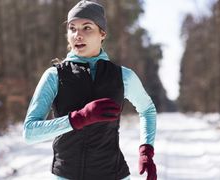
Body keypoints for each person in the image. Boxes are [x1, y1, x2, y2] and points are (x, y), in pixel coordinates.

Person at [23, 0, 157, 179]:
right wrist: (79, 118)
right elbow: (30, 132)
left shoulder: (122, 76)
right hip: (66, 175)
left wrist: (146, 149)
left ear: (102, 33)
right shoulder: (55, 76)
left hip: (113, 174)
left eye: (87, 28)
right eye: (72, 28)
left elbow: (147, 110)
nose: (77, 35)